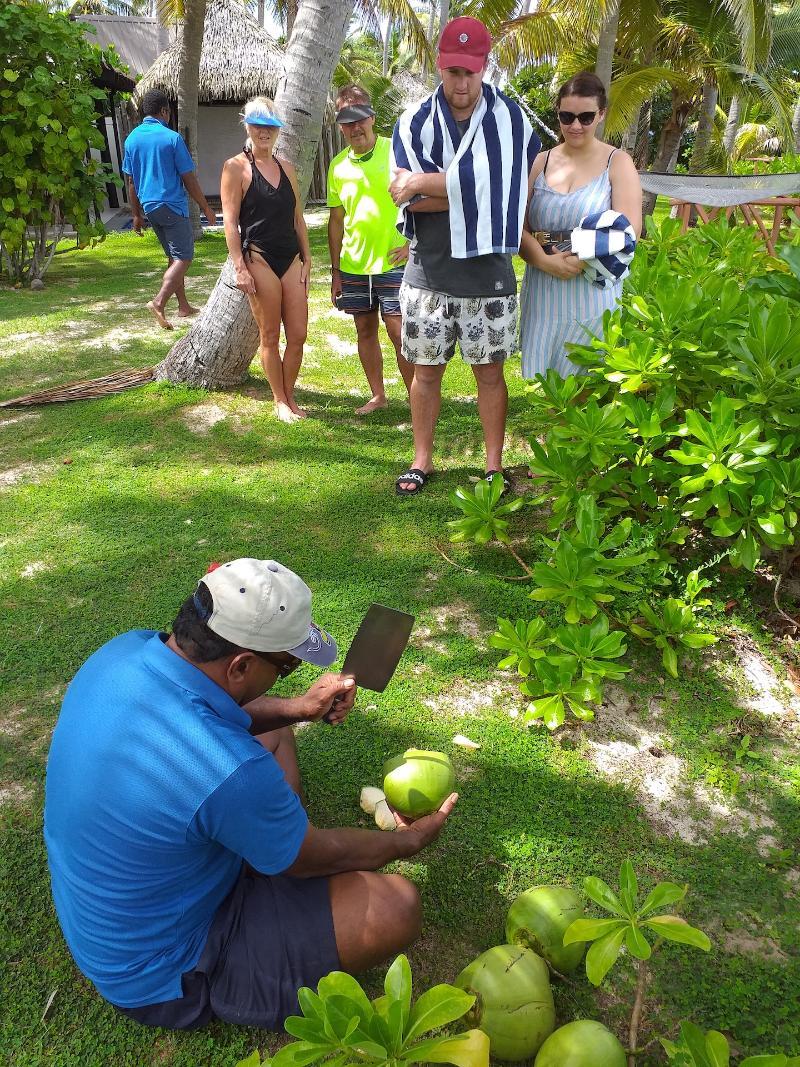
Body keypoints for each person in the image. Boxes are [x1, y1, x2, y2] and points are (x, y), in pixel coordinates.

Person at [44, 557, 457, 1031]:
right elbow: (309, 857)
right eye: (286, 667)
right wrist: (407, 843)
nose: (291, 673)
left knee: (274, 732)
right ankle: (258, 872)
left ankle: (266, 832)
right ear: (240, 665)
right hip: (166, 972)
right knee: (396, 906)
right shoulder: (226, 768)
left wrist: (297, 708)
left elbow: (215, 726)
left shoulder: (123, 651)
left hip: (117, 917)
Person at [390, 17, 540, 496]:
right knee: (425, 373)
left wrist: (425, 182)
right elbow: (405, 197)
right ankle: (421, 460)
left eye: (470, 72)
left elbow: (508, 193)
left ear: (484, 67)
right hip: (428, 270)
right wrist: (474, 191)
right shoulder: (413, 120)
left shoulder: (511, 119)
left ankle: (493, 465)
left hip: (488, 273)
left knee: (490, 374)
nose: (461, 82)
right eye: (453, 71)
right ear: (440, 64)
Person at [518, 72, 642, 380]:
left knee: (589, 379)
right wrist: (544, 261)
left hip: (592, 286)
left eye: (586, 117)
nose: (575, 125)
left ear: (602, 114)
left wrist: (578, 258)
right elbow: (516, 227)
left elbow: (629, 232)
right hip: (543, 287)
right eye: (566, 116)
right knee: (545, 383)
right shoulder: (539, 162)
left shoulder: (618, 162)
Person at [221, 98, 312, 424]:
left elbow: (297, 217)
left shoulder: (287, 167)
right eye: (258, 125)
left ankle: (289, 394)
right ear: (247, 126)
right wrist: (240, 267)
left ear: (278, 131)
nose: (264, 132)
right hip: (258, 257)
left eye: (270, 127)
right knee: (270, 335)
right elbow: (230, 223)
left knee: (298, 334)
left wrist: (308, 258)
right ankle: (280, 401)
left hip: (290, 259)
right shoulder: (236, 168)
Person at [327, 85, 414, 414]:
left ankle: (414, 396)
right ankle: (378, 396)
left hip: (392, 261)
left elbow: (416, 200)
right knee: (364, 329)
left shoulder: (395, 153)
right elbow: (336, 221)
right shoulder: (337, 166)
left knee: (398, 331)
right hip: (353, 265)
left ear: (372, 117)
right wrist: (335, 271)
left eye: (360, 118)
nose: (355, 127)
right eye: (346, 121)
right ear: (340, 125)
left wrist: (410, 244)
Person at [123, 89, 215, 331]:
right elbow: (189, 178)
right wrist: (206, 207)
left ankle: (183, 306)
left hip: (150, 207)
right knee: (184, 257)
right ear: (164, 111)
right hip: (171, 205)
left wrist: (136, 214)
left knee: (173, 257)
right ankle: (159, 302)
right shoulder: (171, 138)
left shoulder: (131, 139)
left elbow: (131, 182)